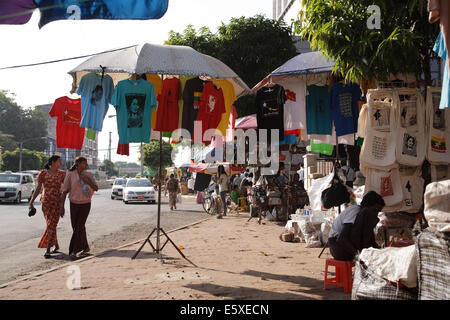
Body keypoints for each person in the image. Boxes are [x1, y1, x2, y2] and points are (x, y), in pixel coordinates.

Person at [328, 191, 385, 261]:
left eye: (378, 212)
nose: (376, 214)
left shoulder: (365, 215)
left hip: (346, 246)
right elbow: (342, 239)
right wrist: (358, 255)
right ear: (367, 205)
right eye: (375, 210)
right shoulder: (356, 211)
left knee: (374, 219)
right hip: (338, 247)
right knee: (367, 215)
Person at [29, 155, 66, 259]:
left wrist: (63, 205)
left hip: (57, 203)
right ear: (53, 162)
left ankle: (48, 249)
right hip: (46, 203)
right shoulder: (43, 173)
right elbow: (38, 188)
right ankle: (55, 245)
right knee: (51, 224)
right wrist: (31, 201)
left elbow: (66, 188)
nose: (61, 164)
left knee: (52, 225)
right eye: (59, 161)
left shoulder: (62, 174)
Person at [61, 156, 98, 260]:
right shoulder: (70, 175)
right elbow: (65, 191)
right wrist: (62, 206)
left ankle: (73, 251)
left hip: (85, 204)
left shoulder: (89, 174)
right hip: (73, 203)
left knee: (79, 227)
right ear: (78, 164)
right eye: (83, 163)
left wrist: (88, 182)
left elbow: (96, 188)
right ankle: (85, 247)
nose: (85, 165)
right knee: (77, 227)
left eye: (86, 163)